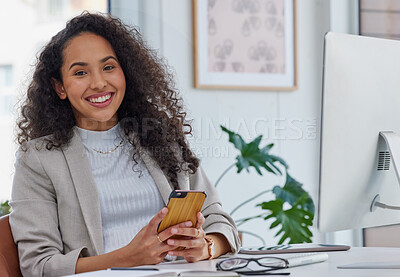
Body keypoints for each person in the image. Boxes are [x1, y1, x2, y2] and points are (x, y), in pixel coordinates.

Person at [10, 12, 240, 276]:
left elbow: (221, 222)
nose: (98, 83)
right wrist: (125, 258)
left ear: (126, 73)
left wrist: (206, 246)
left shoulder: (159, 138)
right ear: (60, 87)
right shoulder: (39, 160)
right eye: (81, 72)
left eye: (109, 67)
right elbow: (38, 266)